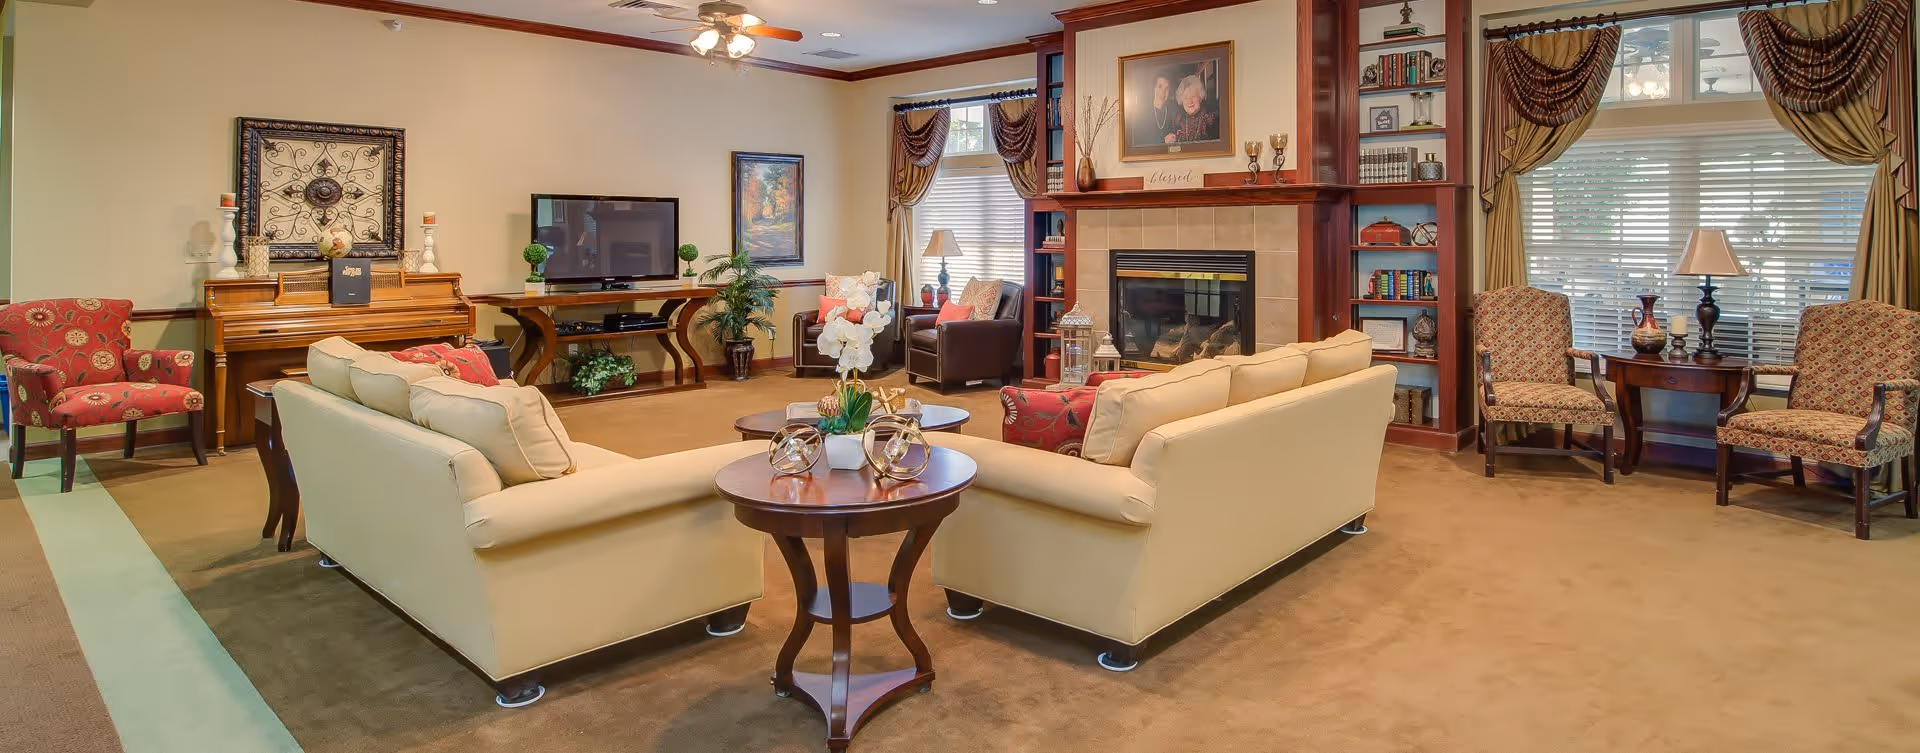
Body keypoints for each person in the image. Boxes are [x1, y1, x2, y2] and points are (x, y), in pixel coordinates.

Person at [1165, 74, 1219, 144]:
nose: (1189, 101)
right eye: (1186, 98)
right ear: (1181, 100)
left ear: (1200, 97)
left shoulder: (1211, 119)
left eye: (1193, 96)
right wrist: (1168, 141)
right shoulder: (1177, 120)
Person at [1129, 71, 1176, 146]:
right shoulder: (1142, 112)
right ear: (1154, 89)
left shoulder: (1172, 112)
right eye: (1160, 87)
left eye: (1167, 88)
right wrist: (1163, 141)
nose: (1163, 91)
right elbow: (1138, 139)